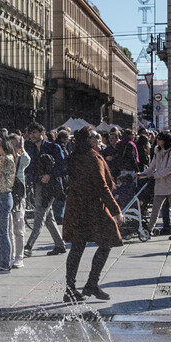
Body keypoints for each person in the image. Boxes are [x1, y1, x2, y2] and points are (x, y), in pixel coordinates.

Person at [61, 126, 123, 303]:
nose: (99, 139)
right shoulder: (93, 158)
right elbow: (102, 186)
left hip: (77, 207)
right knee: (109, 240)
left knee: (78, 247)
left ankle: (71, 288)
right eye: (96, 137)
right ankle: (90, 284)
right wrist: (116, 210)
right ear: (88, 140)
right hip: (93, 207)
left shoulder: (75, 157)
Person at [23, 123, 67, 257]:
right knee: (49, 218)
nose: (32, 136)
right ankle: (60, 245)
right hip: (38, 185)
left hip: (51, 186)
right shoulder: (30, 148)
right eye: (30, 133)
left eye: (35, 132)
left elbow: (63, 165)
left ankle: (28, 246)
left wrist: (50, 175)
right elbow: (30, 167)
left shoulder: (53, 147)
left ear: (42, 133)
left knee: (39, 215)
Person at [140, 131, 171, 240]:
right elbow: (152, 166)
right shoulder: (157, 151)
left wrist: (154, 175)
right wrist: (142, 174)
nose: (157, 140)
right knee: (155, 208)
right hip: (160, 185)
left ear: (165, 141)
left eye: (159, 139)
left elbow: (169, 169)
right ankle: (149, 230)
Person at [0, 129, 16, 273]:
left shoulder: (3, 159)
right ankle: (5, 261)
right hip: (7, 196)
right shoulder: (9, 157)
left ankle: (4, 262)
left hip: (1, 196)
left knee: (1, 232)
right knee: (3, 231)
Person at [9, 133, 29, 270]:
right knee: (8, 229)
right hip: (6, 195)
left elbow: (28, 159)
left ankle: (19, 257)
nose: (14, 146)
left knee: (18, 228)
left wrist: (22, 147)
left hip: (19, 197)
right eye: (12, 143)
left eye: (16, 143)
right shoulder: (5, 157)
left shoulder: (22, 158)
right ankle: (10, 256)